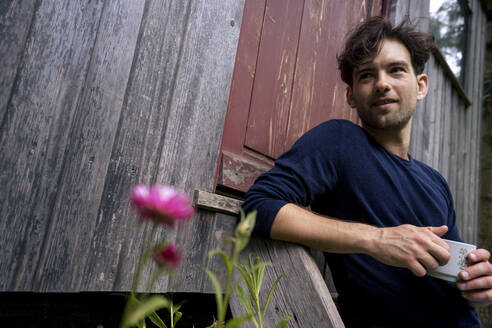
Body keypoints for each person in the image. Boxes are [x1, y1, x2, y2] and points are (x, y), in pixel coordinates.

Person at [242, 16, 492, 327]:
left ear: (421, 85)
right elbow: (258, 207)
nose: (383, 83)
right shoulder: (339, 142)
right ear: (351, 95)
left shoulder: (436, 183)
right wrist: (376, 239)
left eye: (396, 69)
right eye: (366, 75)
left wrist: (474, 287)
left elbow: (450, 276)